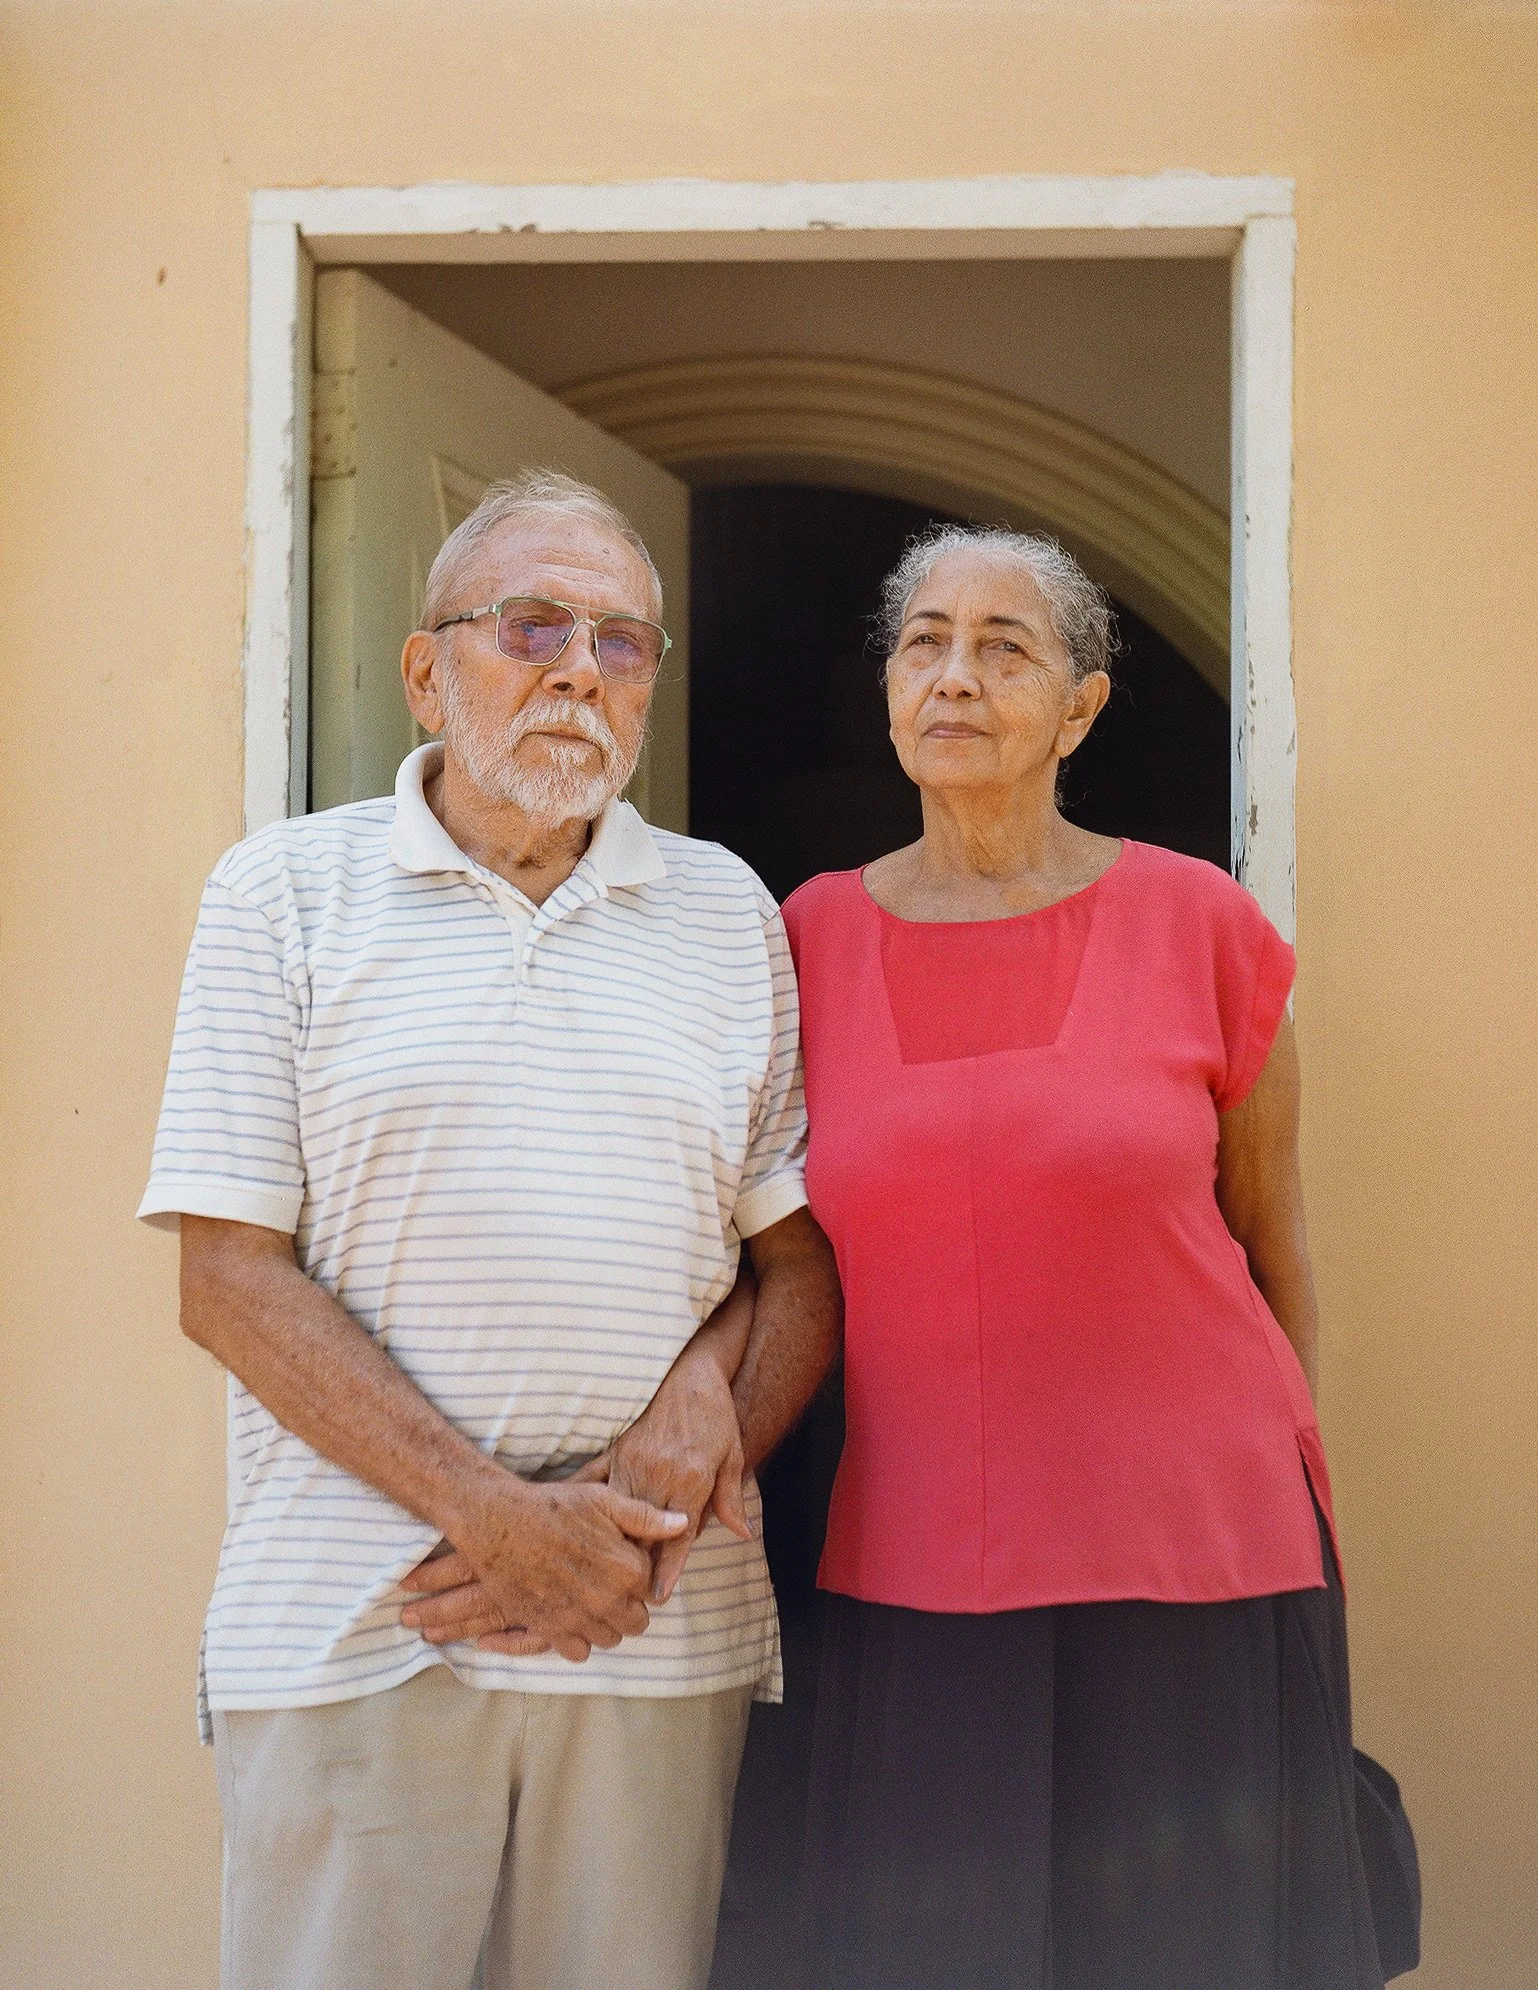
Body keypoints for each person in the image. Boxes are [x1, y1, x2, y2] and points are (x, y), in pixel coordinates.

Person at [138, 470, 841, 1990]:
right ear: (426, 666)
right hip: (352, 1631)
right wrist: (502, 1521)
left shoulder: (729, 913)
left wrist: (694, 1415)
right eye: (532, 624)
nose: (581, 668)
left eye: (624, 641)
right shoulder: (283, 894)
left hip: (652, 1636)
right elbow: (225, 1277)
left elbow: (794, 1265)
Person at [782, 524, 1384, 1990]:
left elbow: (1274, 1248)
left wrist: (1292, 1489)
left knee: (1195, 1953)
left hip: (1198, 1550)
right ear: (885, 687)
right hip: (916, 1545)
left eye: (1005, 646)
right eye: (923, 640)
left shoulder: (1203, 926)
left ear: (1079, 708)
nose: (955, 675)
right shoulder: (799, 938)